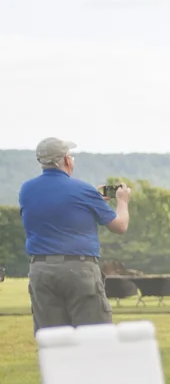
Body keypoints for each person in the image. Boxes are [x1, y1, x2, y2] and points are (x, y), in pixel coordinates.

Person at [19, 137, 129, 331]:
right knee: (93, 334)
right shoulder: (83, 190)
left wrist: (93, 199)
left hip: (40, 270)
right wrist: (122, 202)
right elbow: (119, 226)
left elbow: (56, 207)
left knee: (52, 338)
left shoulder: (26, 190)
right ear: (67, 160)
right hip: (79, 269)